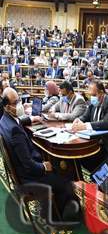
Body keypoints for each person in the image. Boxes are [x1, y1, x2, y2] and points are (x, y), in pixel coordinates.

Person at [0, 88, 77, 221]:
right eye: (16, 102)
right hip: (29, 177)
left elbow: (18, 121)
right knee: (65, 181)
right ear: (7, 107)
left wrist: (30, 119)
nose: (19, 104)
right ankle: (56, 216)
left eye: (19, 100)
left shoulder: (4, 120)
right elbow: (29, 165)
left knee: (53, 163)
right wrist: (44, 167)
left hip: (20, 172)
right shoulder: (15, 131)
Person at [71, 81, 108, 172]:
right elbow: (85, 117)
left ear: (102, 93)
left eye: (94, 95)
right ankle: (94, 177)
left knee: (98, 169)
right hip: (98, 144)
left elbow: (107, 123)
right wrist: (78, 120)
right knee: (80, 157)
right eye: (90, 95)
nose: (92, 98)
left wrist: (85, 126)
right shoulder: (93, 104)